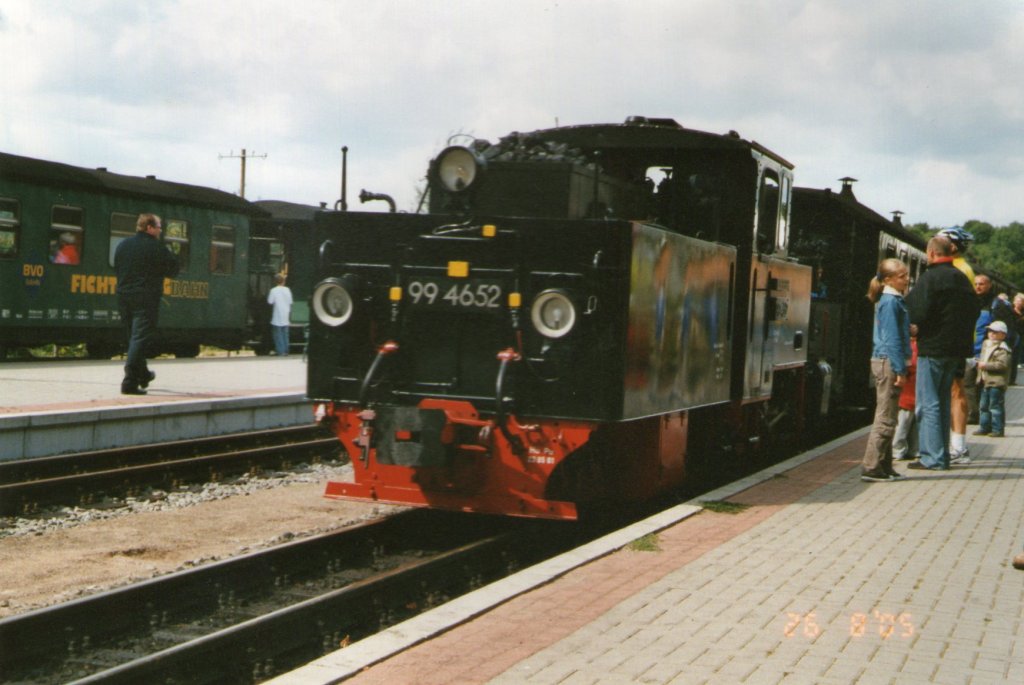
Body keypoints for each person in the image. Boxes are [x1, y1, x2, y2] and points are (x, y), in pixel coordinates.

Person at [905, 236, 979, 471]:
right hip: (957, 351)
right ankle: (942, 455)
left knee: (929, 403)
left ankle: (932, 457)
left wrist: (921, 327)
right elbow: (975, 310)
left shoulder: (931, 278)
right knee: (943, 401)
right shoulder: (962, 279)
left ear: (932, 253)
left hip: (933, 348)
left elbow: (915, 310)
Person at [114, 213, 179, 395]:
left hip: (123, 297)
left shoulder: (123, 245)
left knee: (133, 338)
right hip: (145, 298)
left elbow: (117, 268)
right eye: (158, 226)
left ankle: (143, 374)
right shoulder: (157, 248)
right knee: (139, 338)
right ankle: (129, 382)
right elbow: (173, 270)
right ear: (149, 228)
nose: (160, 230)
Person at [861, 258, 911, 482]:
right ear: (888, 279)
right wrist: (901, 369)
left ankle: (884, 464)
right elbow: (891, 339)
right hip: (889, 361)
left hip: (887, 360)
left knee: (889, 414)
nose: (907, 279)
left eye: (906, 275)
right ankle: (872, 466)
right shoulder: (891, 302)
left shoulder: (892, 300)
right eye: (902, 276)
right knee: (886, 416)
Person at [936, 226, 976, 464]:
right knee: (953, 391)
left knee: (955, 391)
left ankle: (958, 447)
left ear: (952, 245)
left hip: (955, 342)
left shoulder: (958, 270)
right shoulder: (962, 269)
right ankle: (955, 444)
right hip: (959, 340)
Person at [973, 320, 1012, 438]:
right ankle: (984, 427)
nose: (991, 334)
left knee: (995, 406)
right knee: (983, 406)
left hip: (997, 382)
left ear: (1003, 335)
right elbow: (983, 357)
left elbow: (1002, 365)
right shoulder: (986, 344)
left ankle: (998, 429)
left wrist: (985, 365)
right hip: (985, 380)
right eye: (990, 331)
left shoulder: (1003, 349)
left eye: (995, 332)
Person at [892, 334, 919, 462]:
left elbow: (911, 364)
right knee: (908, 422)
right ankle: (909, 450)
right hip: (911, 390)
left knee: (906, 422)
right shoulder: (912, 345)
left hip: (909, 390)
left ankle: (901, 450)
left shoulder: (909, 345)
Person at [267, 273, 293, 356]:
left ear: (275, 281)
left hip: (277, 315)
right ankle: (286, 350)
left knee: (278, 335)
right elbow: (290, 302)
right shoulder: (287, 290)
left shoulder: (273, 290)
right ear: (283, 281)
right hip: (286, 314)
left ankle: (280, 351)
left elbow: (270, 301)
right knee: (285, 334)